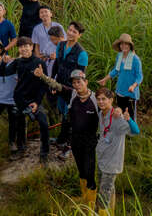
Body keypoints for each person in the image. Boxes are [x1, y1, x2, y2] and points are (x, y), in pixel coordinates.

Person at [1, 37, 62, 161]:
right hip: (20, 99)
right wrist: (3, 62)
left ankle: (44, 152)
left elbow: (44, 85)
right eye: (21, 46)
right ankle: (21, 149)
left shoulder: (39, 62)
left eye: (26, 46)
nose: (24, 49)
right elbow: (3, 73)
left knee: (44, 124)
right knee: (20, 124)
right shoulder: (18, 62)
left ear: (31, 47)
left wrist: (37, 102)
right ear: (19, 49)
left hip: (34, 99)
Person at [95, 87, 140, 215]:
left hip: (112, 163)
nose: (101, 102)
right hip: (102, 160)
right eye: (98, 99)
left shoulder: (116, 117)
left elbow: (136, 131)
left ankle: (102, 213)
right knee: (106, 190)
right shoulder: (101, 114)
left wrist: (128, 119)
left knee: (104, 194)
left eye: (104, 99)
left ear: (111, 100)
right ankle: (110, 211)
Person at [65, 70, 100, 211]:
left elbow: (106, 113)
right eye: (74, 83)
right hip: (75, 139)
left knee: (89, 170)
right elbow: (58, 87)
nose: (76, 85)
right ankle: (84, 196)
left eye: (79, 81)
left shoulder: (96, 99)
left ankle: (91, 204)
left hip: (90, 140)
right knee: (81, 169)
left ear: (86, 82)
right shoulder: (73, 95)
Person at [52, 21, 89, 150]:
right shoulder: (60, 45)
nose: (70, 33)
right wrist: (53, 82)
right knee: (62, 110)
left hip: (71, 88)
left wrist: (77, 91)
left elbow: (80, 76)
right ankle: (62, 138)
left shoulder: (82, 53)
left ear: (79, 35)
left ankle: (66, 142)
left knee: (70, 114)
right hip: (59, 85)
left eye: (74, 32)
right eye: (69, 30)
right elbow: (56, 64)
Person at [98, 33, 143, 120]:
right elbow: (116, 70)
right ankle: (121, 131)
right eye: (122, 44)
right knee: (120, 113)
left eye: (126, 44)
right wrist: (105, 79)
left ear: (130, 45)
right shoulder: (119, 56)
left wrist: (133, 86)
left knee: (130, 116)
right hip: (120, 90)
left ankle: (131, 132)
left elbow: (140, 76)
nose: (124, 46)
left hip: (130, 93)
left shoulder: (135, 59)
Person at [31, 6, 66, 73]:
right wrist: (38, 57)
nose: (44, 14)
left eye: (46, 12)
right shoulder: (36, 29)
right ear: (39, 16)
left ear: (51, 14)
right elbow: (37, 45)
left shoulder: (58, 26)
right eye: (41, 12)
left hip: (56, 57)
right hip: (44, 58)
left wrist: (57, 54)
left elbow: (64, 42)